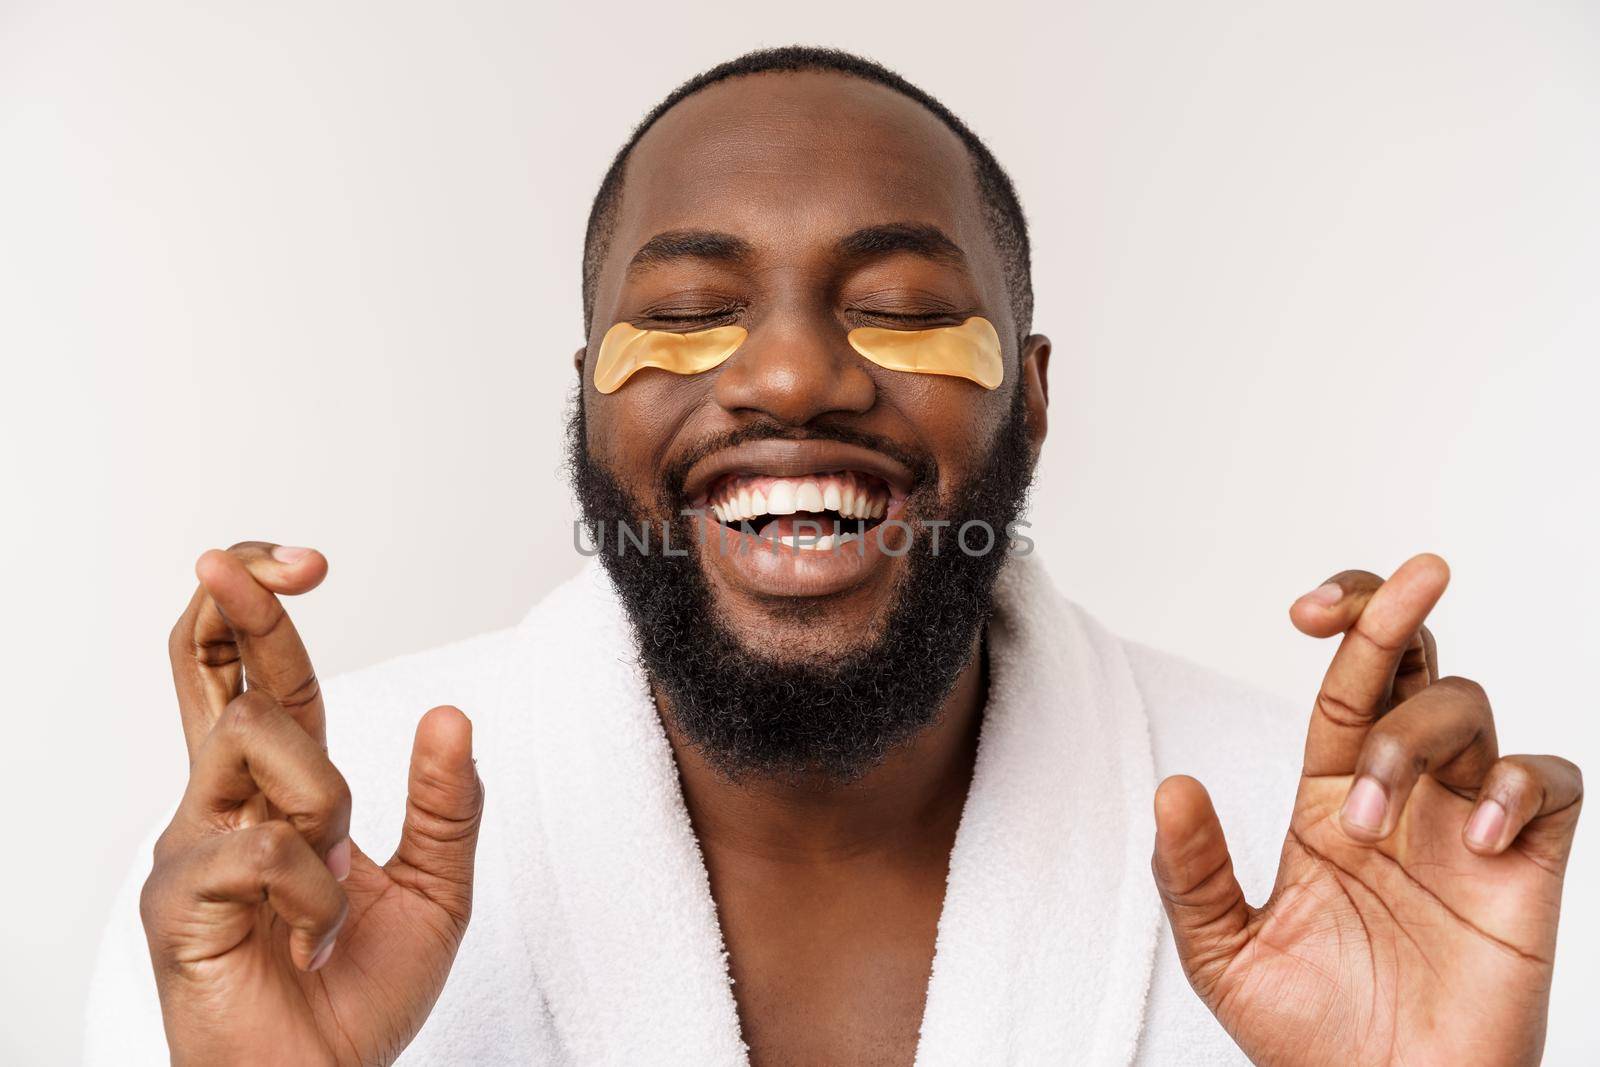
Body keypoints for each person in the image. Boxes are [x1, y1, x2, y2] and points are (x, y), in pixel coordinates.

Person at [87, 47, 1582, 1066]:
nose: (793, 376)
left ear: (1035, 396)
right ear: (586, 392)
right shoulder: (281, 883)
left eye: (901, 300)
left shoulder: (1359, 878)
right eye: (683, 312)